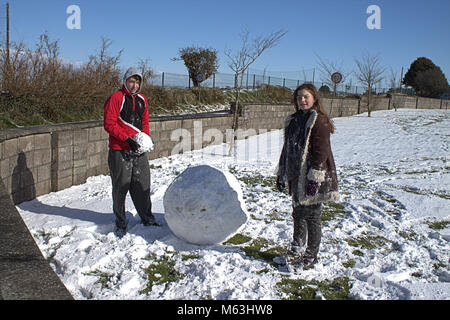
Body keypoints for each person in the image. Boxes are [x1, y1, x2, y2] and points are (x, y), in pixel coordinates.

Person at [275, 83, 339, 269]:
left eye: (306, 97)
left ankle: (311, 255)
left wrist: (314, 178)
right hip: (296, 175)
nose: (302, 100)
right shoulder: (293, 120)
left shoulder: (319, 121)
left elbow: (321, 152)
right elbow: (287, 148)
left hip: (312, 177)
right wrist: (282, 173)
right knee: (297, 213)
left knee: (312, 216)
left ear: (314, 98)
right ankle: (296, 249)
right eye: (299, 97)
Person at [104, 67, 158, 237]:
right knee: (121, 186)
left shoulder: (142, 100)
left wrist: (144, 140)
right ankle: (120, 222)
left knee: (142, 184)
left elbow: (145, 122)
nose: (134, 85)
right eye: (131, 81)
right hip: (120, 150)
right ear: (125, 81)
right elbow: (109, 124)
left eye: (137, 82)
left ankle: (147, 217)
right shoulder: (116, 98)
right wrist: (127, 139)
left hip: (138, 151)